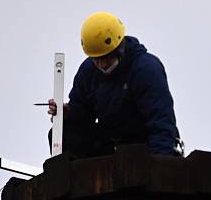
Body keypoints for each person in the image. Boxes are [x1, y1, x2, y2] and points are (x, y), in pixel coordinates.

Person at [48, 11, 182, 157]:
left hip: (144, 145)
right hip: (111, 146)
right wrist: (70, 113)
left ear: (119, 49)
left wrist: (159, 168)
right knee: (66, 132)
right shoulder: (88, 71)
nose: (101, 64)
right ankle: (75, 178)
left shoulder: (146, 69)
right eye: (96, 59)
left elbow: (160, 124)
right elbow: (83, 114)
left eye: (106, 57)